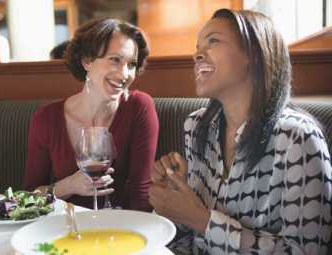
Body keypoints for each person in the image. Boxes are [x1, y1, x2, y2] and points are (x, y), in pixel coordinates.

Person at [149, 8, 331, 254]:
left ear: (254, 54)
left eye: (213, 41)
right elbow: (188, 237)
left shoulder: (297, 137)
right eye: (197, 46)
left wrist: (201, 219)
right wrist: (174, 195)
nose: (197, 55)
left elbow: (307, 251)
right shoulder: (196, 126)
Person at [24, 18, 159, 212]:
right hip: (65, 229)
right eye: (115, 60)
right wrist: (69, 185)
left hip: (121, 227)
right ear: (87, 61)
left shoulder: (139, 107)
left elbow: (142, 193)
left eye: (131, 64)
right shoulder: (47, 119)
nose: (124, 74)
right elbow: (29, 196)